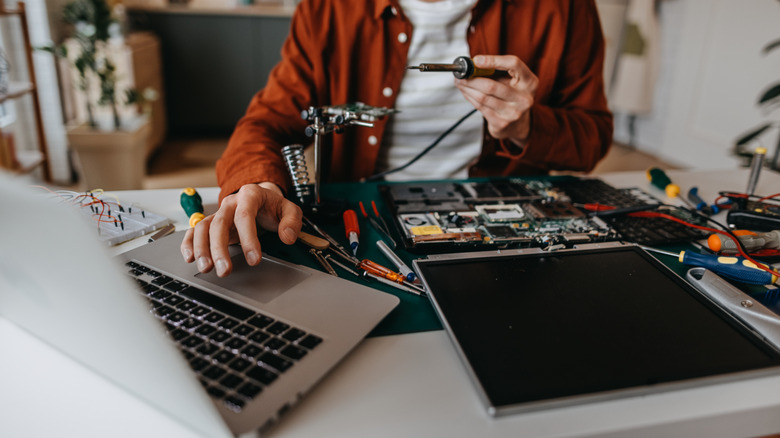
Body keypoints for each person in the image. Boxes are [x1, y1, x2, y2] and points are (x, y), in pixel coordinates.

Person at [181, 0, 613, 277]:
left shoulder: (563, 8)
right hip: (362, 223)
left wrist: (528, 127)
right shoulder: (329, 9)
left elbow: (593, 138)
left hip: (510, 233)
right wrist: (258, 183)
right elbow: (265, 122)